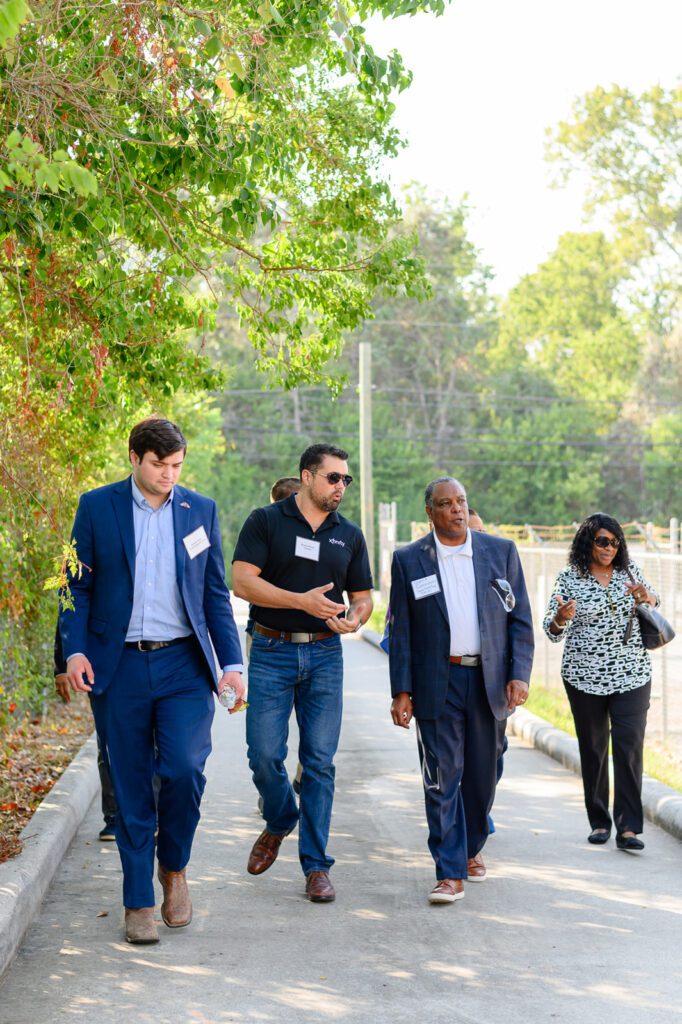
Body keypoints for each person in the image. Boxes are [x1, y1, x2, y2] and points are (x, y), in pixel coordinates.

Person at [60, 417, 244, 944]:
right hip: (117, 667)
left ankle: (175, 868)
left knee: (186, 769)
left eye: (177, 465)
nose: (169, 475)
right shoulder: (97, 506)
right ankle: (138, 898)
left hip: (184, 664)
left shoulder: (198, 510)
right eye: (159, 465)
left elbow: (213, 595)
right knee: (132, 781)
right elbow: (76, 587)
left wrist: (231, 664)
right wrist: (74, 651)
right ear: (135, 458)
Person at [232, 443, 373, 903]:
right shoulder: (265, 521)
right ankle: (279, 819)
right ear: (307, 476)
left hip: (326, 656)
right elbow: (243, 581)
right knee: (264, 755)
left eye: (345, 480)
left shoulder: (348, 535)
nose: (340, 487)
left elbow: (364, 595)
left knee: (319, 764)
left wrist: (357, 617)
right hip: (271, 650)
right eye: (333, 478)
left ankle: (316, 866)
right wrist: (300, 601)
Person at [388, 477, 533, 905]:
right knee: (441, 776)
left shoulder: (499, 552)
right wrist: (401, 690)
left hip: (488, 682)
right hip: (438, 682)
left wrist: (519, 674)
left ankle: (471, 846)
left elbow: (520, 619)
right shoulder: (409, 559)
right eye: (445, 503)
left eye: (461, 501)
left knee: (482, 777)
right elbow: (401, 632)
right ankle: (449, 872)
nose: (455, 509)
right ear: (430, 512)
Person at [543, 512, 658, 851]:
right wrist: (561, 618)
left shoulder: (630, 572)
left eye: (615, 542)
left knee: (629, 747)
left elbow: (655, 601)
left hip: (632, 674)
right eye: (602, 541)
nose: (609, 547)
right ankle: (598, 821)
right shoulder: (569, 578)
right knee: (593, 749)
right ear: (588, 543)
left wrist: (646, 598)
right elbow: (551, 631)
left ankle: (628, 829)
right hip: (584, 677)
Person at [54, 628, 117, 841]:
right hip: (103, 664)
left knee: (154, 741)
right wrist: (61, 666)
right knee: (109, 742)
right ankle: (114, 817)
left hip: (156, 661)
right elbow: (69, 603)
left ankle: (153, 815)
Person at [466, 508, 508, 833]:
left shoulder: (499, 567)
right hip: (448, 682)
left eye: (481, 531)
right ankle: (466, 837)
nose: (477, 539)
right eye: (471, 532)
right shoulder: (423, 566)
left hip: (492, 685)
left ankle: (480, 808)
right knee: (452, 762)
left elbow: (516, 622)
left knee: (494, 754)